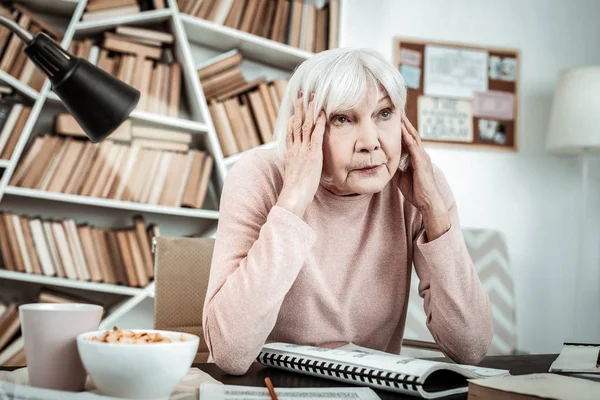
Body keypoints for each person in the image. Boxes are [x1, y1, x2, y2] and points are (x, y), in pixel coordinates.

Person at [203, 47, 493, 375]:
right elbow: (229, 352)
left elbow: (471, 347)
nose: (370, 142)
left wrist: (434, 212)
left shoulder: (420, 184)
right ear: (302, 127)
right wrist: (294, 200)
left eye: (384, 114)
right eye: (343, 118)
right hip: (266, 387)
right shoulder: (260, 175)